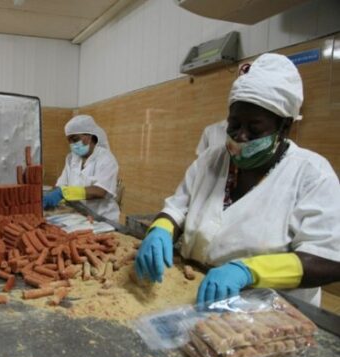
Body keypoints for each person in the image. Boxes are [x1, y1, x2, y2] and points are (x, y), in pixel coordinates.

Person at [134, 53, 340, 307]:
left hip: (270, 311)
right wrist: (160, 232)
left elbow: (329, 260)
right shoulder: (211, 160)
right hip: (196, 290)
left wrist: (248, 271)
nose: (241, 136)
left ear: (284, 127)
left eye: (254, 129)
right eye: (234, 125)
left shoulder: (311, 174)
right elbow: (177, 209)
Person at [43, 115, 120, 222]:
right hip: (80, 215)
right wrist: (53, 195)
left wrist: (64, 193)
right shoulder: (71, 159)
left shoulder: (106, 159)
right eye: (69, 141)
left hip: (102, 218)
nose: (72, 144)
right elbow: (62, 184)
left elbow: (100, 191)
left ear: (90, 136)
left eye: (75, 139)